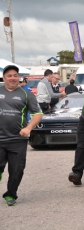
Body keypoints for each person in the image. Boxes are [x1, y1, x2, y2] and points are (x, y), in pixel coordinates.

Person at [0, 65, 43, 206]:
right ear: (4, 78)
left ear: (18, 77)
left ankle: (11, 194)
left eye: (15, 75)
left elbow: (38, 114)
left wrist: (29, 127)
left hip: (18, 139)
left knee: (17, 170)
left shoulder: (26, 94)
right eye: (9, 75)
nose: (12, 78)